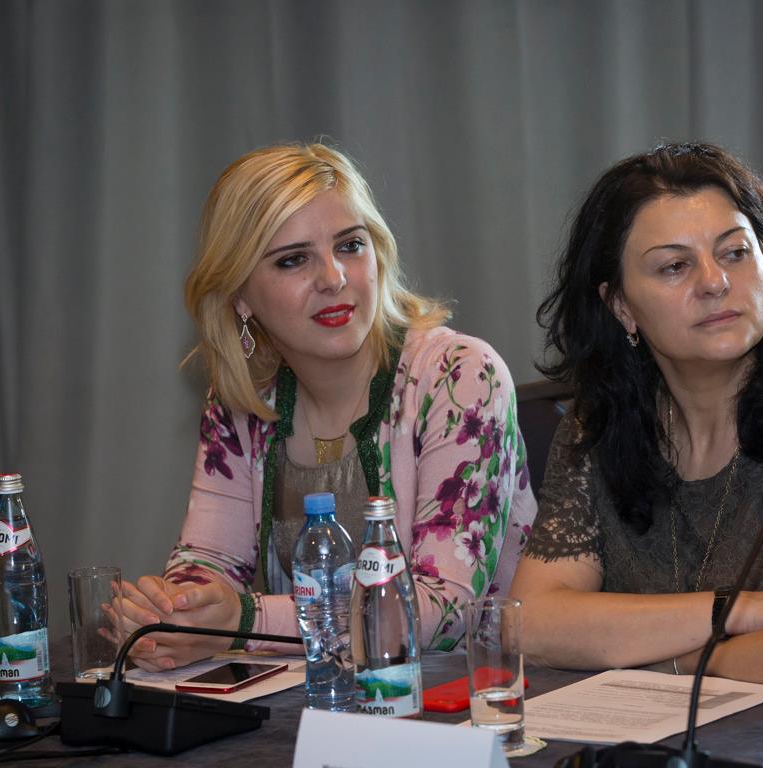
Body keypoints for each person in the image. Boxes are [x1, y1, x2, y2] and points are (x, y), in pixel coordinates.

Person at [509, 142, 763, 692]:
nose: (714, 281)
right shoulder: (602, 421)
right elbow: (531, 624)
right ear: (620, 306)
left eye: (734, 253)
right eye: (675, 266)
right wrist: (738, 610)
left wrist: (675, 665)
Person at [119, 143, 536, 671]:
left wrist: (243, 620)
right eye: (293, 259)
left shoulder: (461, 375)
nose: (334, 278)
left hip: (473, 691)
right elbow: (209, 560)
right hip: (323, 694)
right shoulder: (245, 398)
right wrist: (169, 614)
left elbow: (445, 610)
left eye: (350, 245)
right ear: (240, 296)